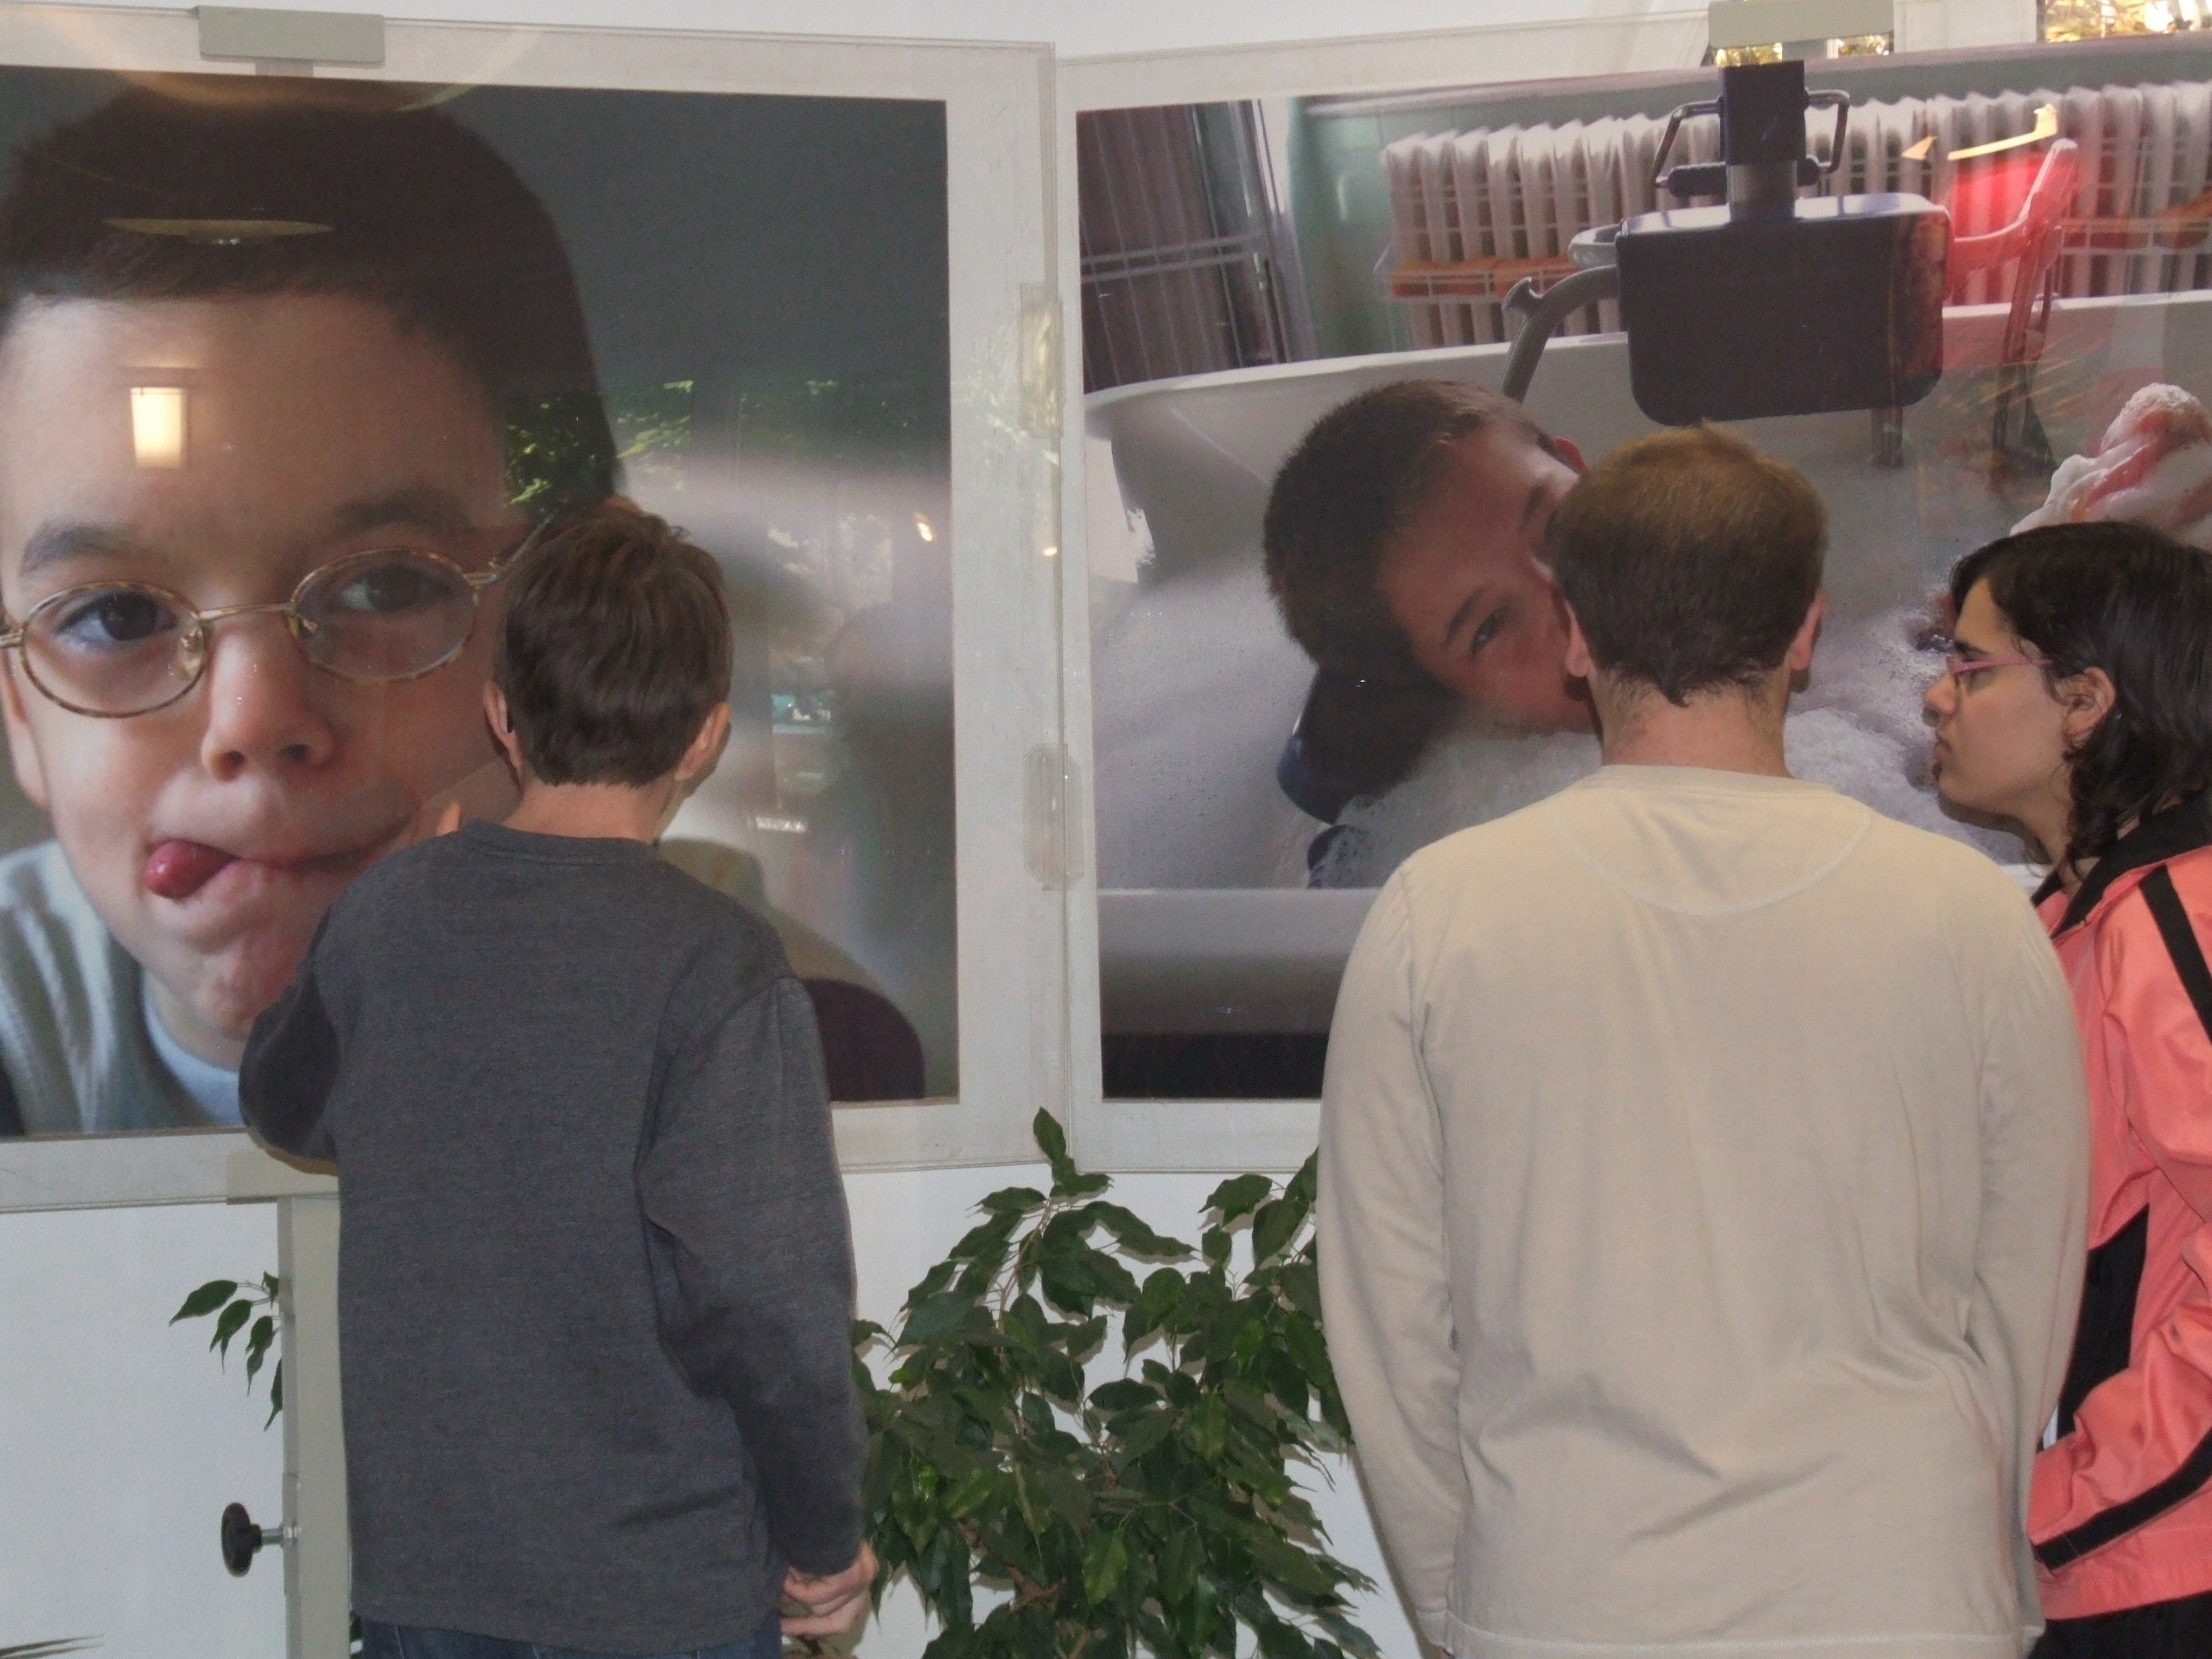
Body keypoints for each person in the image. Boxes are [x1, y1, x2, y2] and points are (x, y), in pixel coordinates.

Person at [0, 80, 921, 1132]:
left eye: (387, 587)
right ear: (19, 707)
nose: (252, 721)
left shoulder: (775, 1046)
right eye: (118, 616)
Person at [1319, 424, 2090, 1659]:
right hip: (1902, 1591)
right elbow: (2024, 1307)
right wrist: (1958, 1544)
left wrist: (1473, 1602)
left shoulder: (1437, 919)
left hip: (1579, 1598)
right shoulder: (1974, 918)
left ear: (1577, 632)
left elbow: (1390, 1328)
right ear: (1807, 631)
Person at [241, 504, 875, 1657]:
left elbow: (281, 1102)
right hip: (658, 1594)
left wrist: (392, 898)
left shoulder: (387, 920)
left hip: (428, 1589)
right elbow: (771, 1300)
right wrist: (826, 1536)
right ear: (705, 738)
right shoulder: (717, 964)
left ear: (501, 714)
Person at [1924, 521, 2212, 1658]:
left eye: (1971, 666)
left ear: (2087, 702)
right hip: (2109, 1560)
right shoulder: (2080, 917)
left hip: (2165, 1566)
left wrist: (2056, 1496)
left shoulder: (2176, 920)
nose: (1938, 698)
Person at [1260, 380, 1587, 852]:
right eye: (1490, 627)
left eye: (1557, 523)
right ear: (1452, 702)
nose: (1575, 601)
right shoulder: (1492, 843)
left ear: (1582, 468)